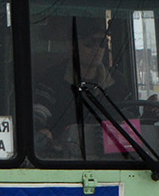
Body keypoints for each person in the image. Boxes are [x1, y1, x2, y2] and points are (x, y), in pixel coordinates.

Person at [31, 16, 119, 157]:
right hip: (63, 159)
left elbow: (130, 119)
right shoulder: (51, 80)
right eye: (89, 42)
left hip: (114, 159)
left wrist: (147, 116)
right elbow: (37, 117)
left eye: (102, 43)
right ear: (70, 45)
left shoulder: (118, 82)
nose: (97, 48)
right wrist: (42, 133)